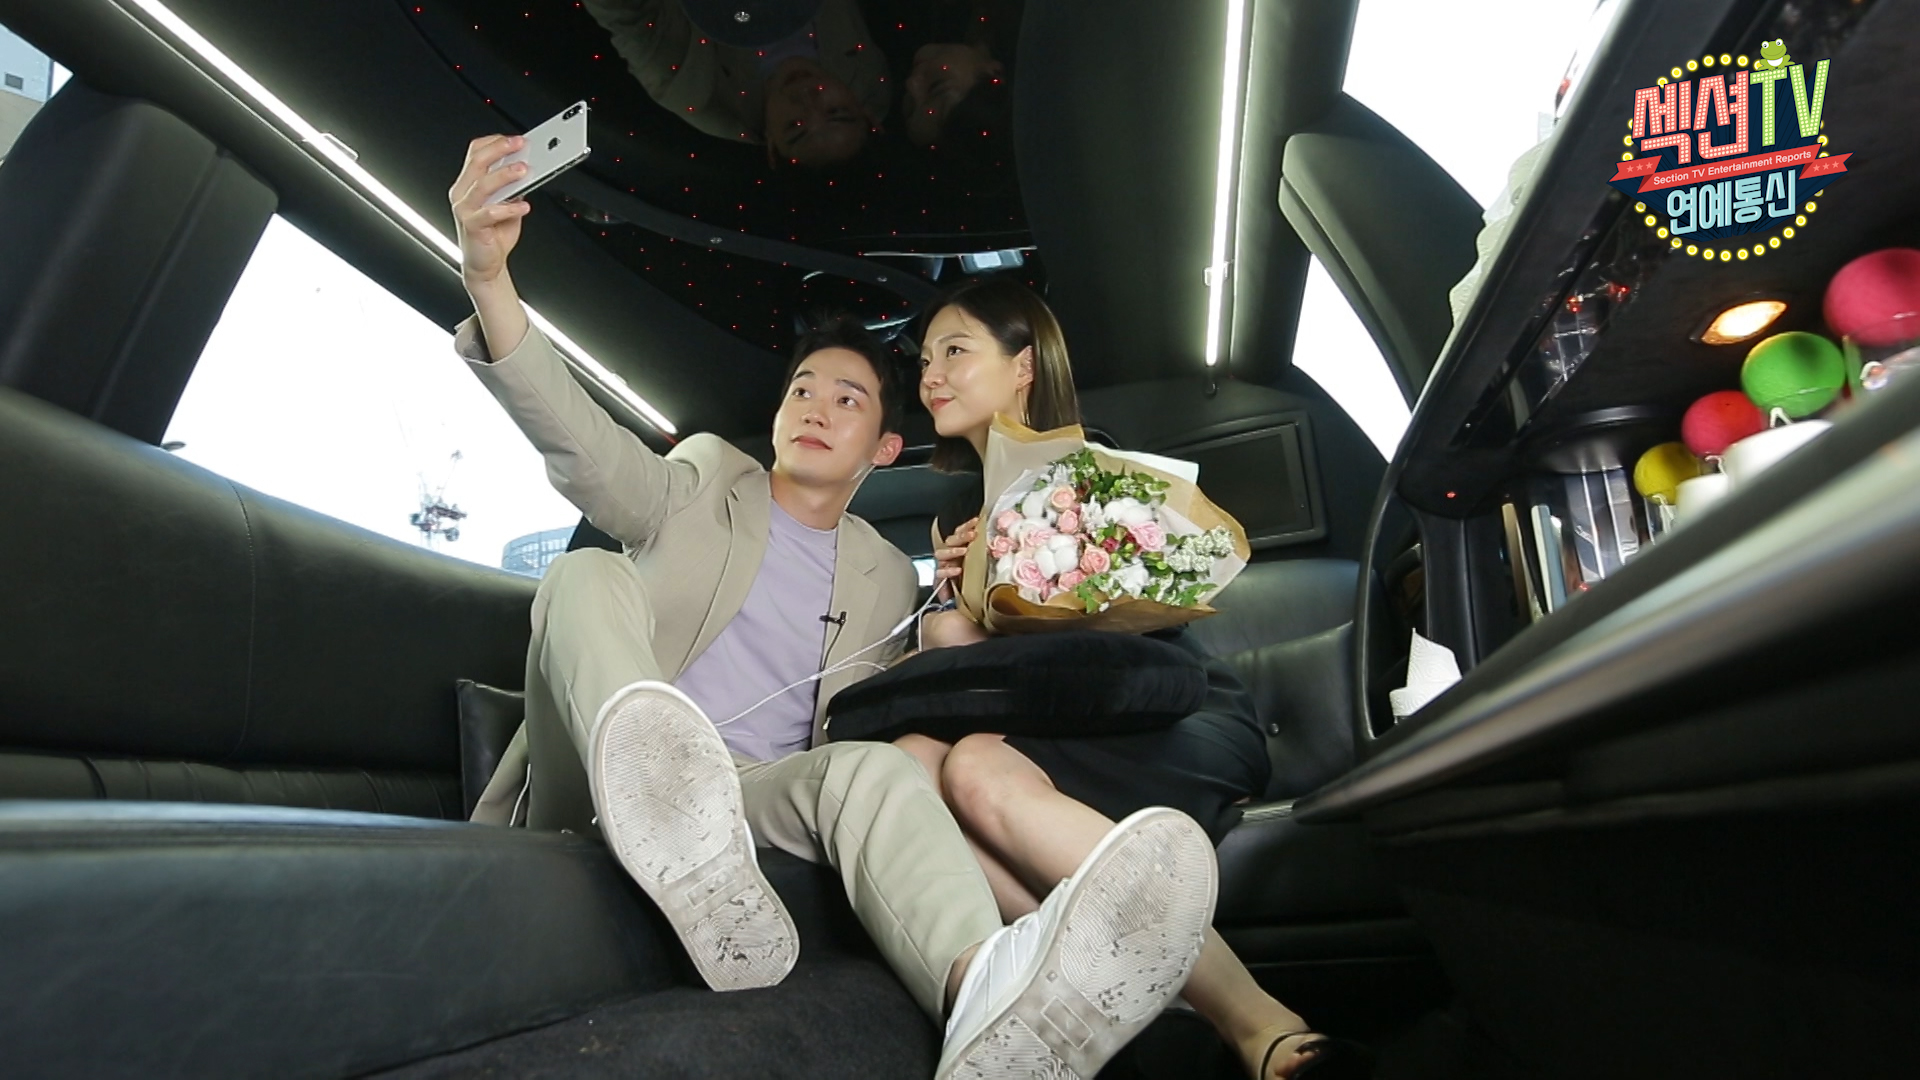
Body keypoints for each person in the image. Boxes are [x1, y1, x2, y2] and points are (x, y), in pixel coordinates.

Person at [447, 134, 1222, 1079]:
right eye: (802, 389)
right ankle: (664, 794)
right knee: (583, 576)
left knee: (877, 769)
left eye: (847, 399)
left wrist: (958, 603)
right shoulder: (703, 479)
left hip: (744, 808)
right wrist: (489, 279)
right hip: (603, 776)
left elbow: (906, 707)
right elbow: (587, 450)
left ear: (885, 449)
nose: (815, 406)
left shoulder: (885, 575)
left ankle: (986, 995)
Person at [906, 276, 1370, 1079]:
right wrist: (953, 596)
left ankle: (1257, 1021)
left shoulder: (1087, 479)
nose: (931, 376)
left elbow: (1148, 612)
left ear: (1023, 367)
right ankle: (1144, 1005)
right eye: (922, 362)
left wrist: (1033, 586)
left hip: (1168, 713)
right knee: (911, 766)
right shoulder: (965, 522)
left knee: (973, 763)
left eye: (954, 351)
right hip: (1058, 730)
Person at [581, 0, 889, 169]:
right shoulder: (870, 77)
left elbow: (621, 12)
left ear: (771, 144)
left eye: (794, 125)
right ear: (865, 110)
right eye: (835, 110)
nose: (806, 98)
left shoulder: (692, 88)